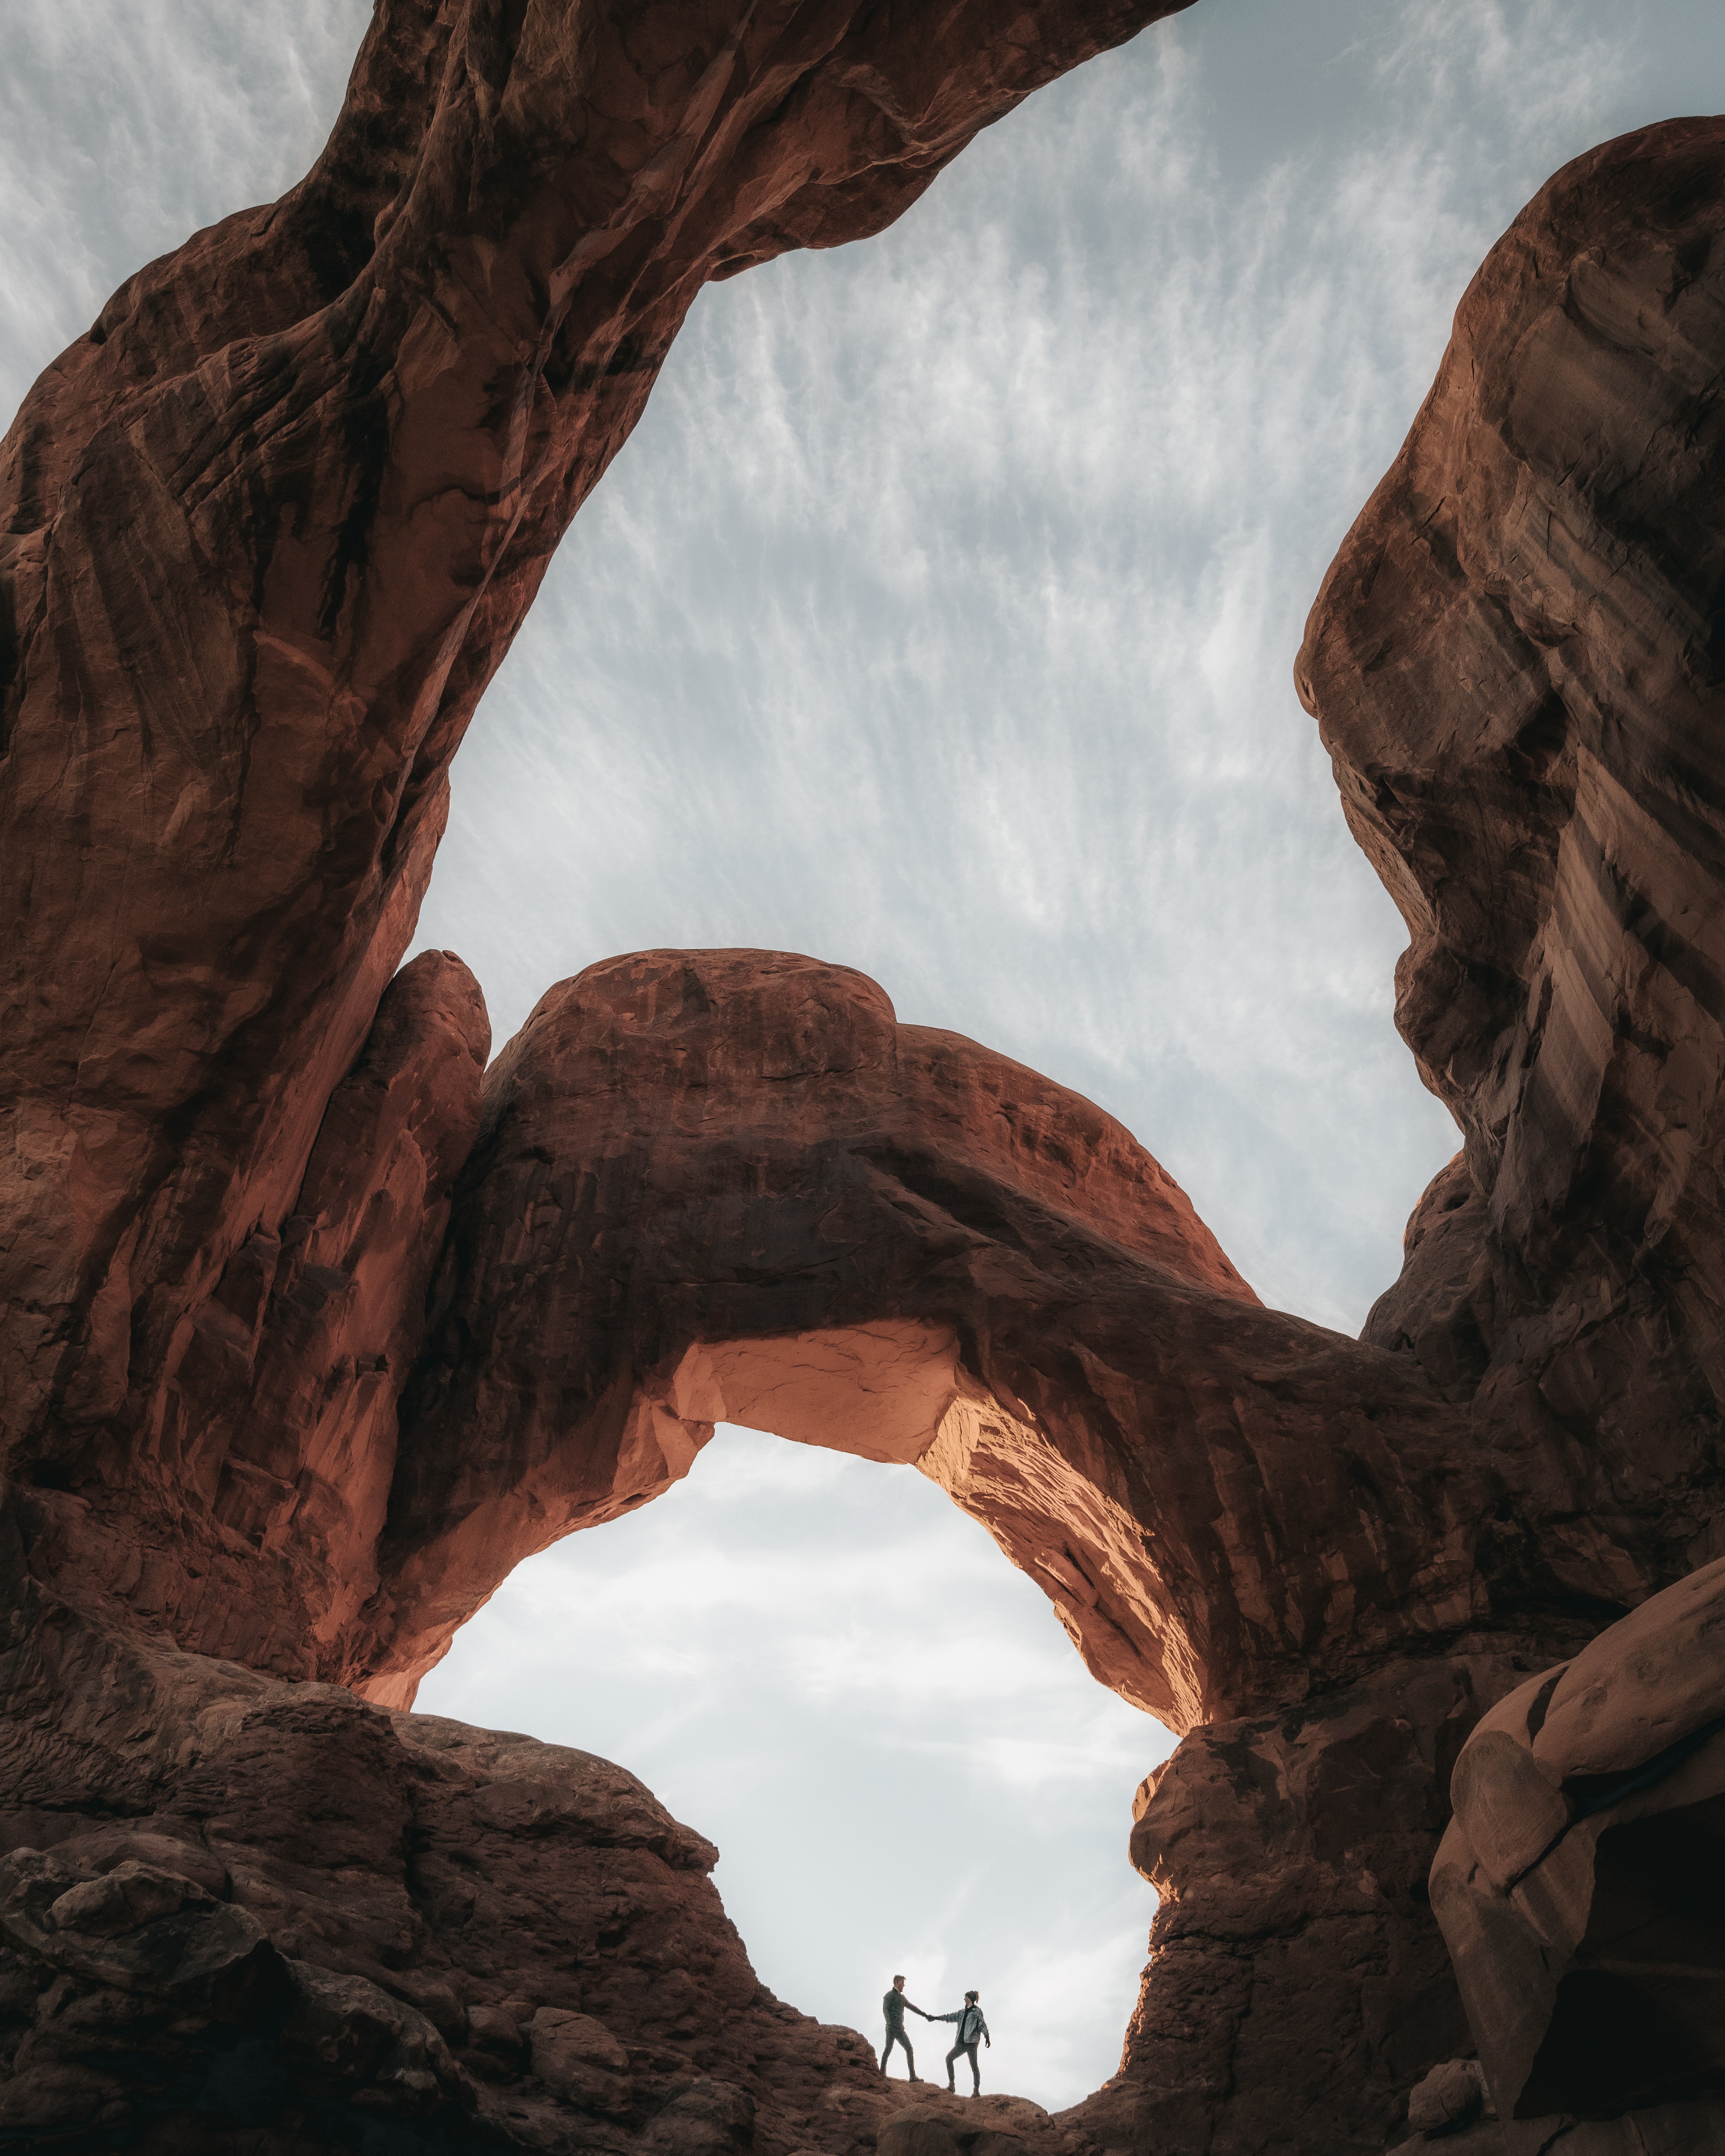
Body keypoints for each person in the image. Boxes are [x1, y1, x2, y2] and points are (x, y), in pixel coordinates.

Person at [931, 1990, 990, 2094]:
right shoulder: (962, 2013)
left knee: (974, 2066)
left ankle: (976, 2090)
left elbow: (982, 2024)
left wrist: (987, 2035)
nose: (964, 1999)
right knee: (949, 2059)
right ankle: (952, 2085)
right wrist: (936, 2018)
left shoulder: (977, 2012)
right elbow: (949, 2017)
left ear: (969, 1999)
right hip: (961, 2043)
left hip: (972, 2043)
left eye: (965, 1998)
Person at [880, 1974, 930, 2078]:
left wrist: (925, 2015)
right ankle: (882, 2074)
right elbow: (886, 2011)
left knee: (909, 2048)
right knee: (888, 2049)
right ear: (898, 1983)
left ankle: (913, 2077)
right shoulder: (889, 1996)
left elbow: (912, 2007)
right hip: (891, 2028)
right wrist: (890, 2023)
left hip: (900, 2029)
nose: (904, 1985)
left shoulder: (902, 1998)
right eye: (903, 1983)